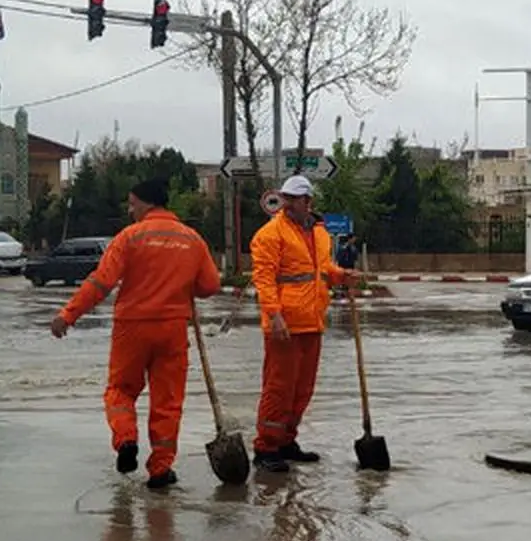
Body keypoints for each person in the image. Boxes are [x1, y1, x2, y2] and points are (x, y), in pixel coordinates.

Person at [50, 178, 221, 489]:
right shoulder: (192, 239)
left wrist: (68, 314)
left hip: (132, 327)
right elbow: (210, 286)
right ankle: (160, 469)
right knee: (167, 401)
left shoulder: (130, 237)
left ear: (147, 203)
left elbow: (101, 283)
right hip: (172, 328)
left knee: (120, 390)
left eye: (132, 204)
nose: (130, 210)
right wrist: (185, 285)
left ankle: (126, 438)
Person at [249, 174, 357, 472]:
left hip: (312, 321)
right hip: (284, 324)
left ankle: (286, 440)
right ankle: (266, 447)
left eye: (294, 199)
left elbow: (320, 269)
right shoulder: (270, 235)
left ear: (308, 202)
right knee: (278, 388)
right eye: (286, 198)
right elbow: (264, 279)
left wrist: (339, 275)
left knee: (302, 389)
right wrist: (274, 315)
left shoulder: (319, 233)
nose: (288, 203)